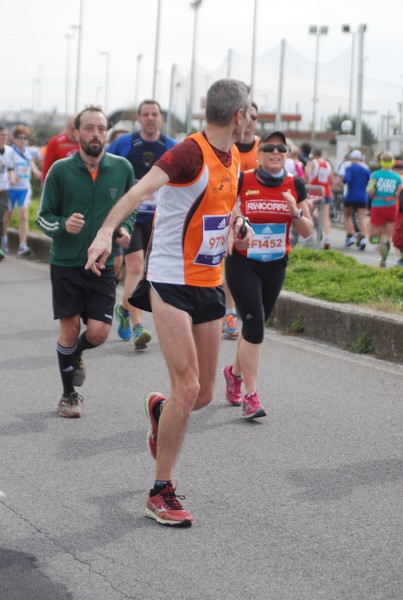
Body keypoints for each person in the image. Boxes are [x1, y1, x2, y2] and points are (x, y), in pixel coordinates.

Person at [86, 78, 254, 527]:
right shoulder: (187, 153)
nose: (251, 118)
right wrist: (105, 234)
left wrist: (240, 225)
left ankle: (159, 410)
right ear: (238, 115)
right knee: (186, 385)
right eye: (250, 111)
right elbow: (139, 192)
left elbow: (227, 207)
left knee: (201, 395)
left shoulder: (234, 156)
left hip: (209, 282)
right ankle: (160, 491)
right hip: (170, 281)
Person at [36, 106, 135, 418]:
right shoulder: (60, 171)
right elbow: (43, 217)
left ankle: (76, 354)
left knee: (98, 333)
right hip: (66, 261)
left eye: (101, 128)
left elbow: (129, 207)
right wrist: (63, 224)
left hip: (103, 264)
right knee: (69, 326)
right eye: (89, 128)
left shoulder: (122, 168)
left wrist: (124, 230)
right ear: (76, 133)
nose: (96, 134)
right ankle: (68, 395)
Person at [222, 131, 313, 418]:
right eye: (269, 148)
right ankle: (251, 395)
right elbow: (226, 213)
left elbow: (307, 231)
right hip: (243, 263)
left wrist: (294, 212)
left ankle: (233, 373)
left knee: (252, 327)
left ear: (287, 154)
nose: (276, 153)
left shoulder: (294, 184)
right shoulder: (243, 180)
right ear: (259, 153)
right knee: (256, 327)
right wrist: (234, 231)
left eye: (281, 149)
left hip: (276, 265)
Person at [107, 100, 177, 349]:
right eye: (146, 114)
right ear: (138, 118)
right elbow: (108, 172)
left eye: (155, 114)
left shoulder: (172, 147)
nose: (150, 118)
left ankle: (125, 308)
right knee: (135, 267)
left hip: (160, 220)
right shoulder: (123, 144)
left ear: (160, 118)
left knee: (150, 273)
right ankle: (138, 325)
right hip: (131, 217)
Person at [220, 101, 259, 339]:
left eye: (254, 116)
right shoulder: (228, 147)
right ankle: (230, 312)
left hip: (259, 217)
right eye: (246, 115)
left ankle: (252, 311)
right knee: (232, 263)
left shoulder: (263, 148)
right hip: (232, 213)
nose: (250, 120)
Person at [2, 125, 42, 256]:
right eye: (20, 138)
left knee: (23, 214)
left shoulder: (28, 151)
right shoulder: (10, 152)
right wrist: (12, 177)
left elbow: (31, 162)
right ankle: (3, 239)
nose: (23, 140)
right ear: (14, 139)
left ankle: (23, 245)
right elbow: (8, 168)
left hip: (24, 188)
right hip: (11, 188)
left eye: (25, 138)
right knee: (7, 216)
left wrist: (36, 170)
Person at [367, 151, 402, 267]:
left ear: (381, 162)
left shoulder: (375, 175)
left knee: (372, 237)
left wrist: (372, 190)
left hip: (378, 206)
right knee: (387, 236)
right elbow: (400, 192)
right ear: (392, 162)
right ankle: (384, 259)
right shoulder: (397, 177)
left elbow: (370, 191)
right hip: (392, 207)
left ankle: (380, 242)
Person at [304, 148, 334, 249]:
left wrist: (307, 183)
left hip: (313, 192)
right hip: (325, 192)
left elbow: (307, 172)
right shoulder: (327, 164)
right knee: (325, 216)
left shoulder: (312, 163)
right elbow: (331, 178)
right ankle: (327, 238)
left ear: (313, 154)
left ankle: (309, 237)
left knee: (309, 215)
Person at [341, 149, 370, 250]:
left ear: (351, 158)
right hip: (362, 196)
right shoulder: (366, 168)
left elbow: (346, 180)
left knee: (347, 216)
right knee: (362, 218)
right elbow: (368, 181)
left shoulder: (349, 167)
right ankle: (362, 238)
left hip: (350, 196)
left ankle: (350, 235)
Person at [41, 116, 79, 183]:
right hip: (60, 186)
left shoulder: (85, 143)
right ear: (66, 128)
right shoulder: (55, 142)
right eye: (72, 129)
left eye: (77, 129)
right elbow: (46, 168)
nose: (74, 133)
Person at [0, 126, 15, 260]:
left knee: (1, 217)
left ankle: (1, 247)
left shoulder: (9, 151)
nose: (4, 138)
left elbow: (10, 168)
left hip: (4, 189)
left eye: (5, 135)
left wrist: (12, 176)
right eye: (1, 135)